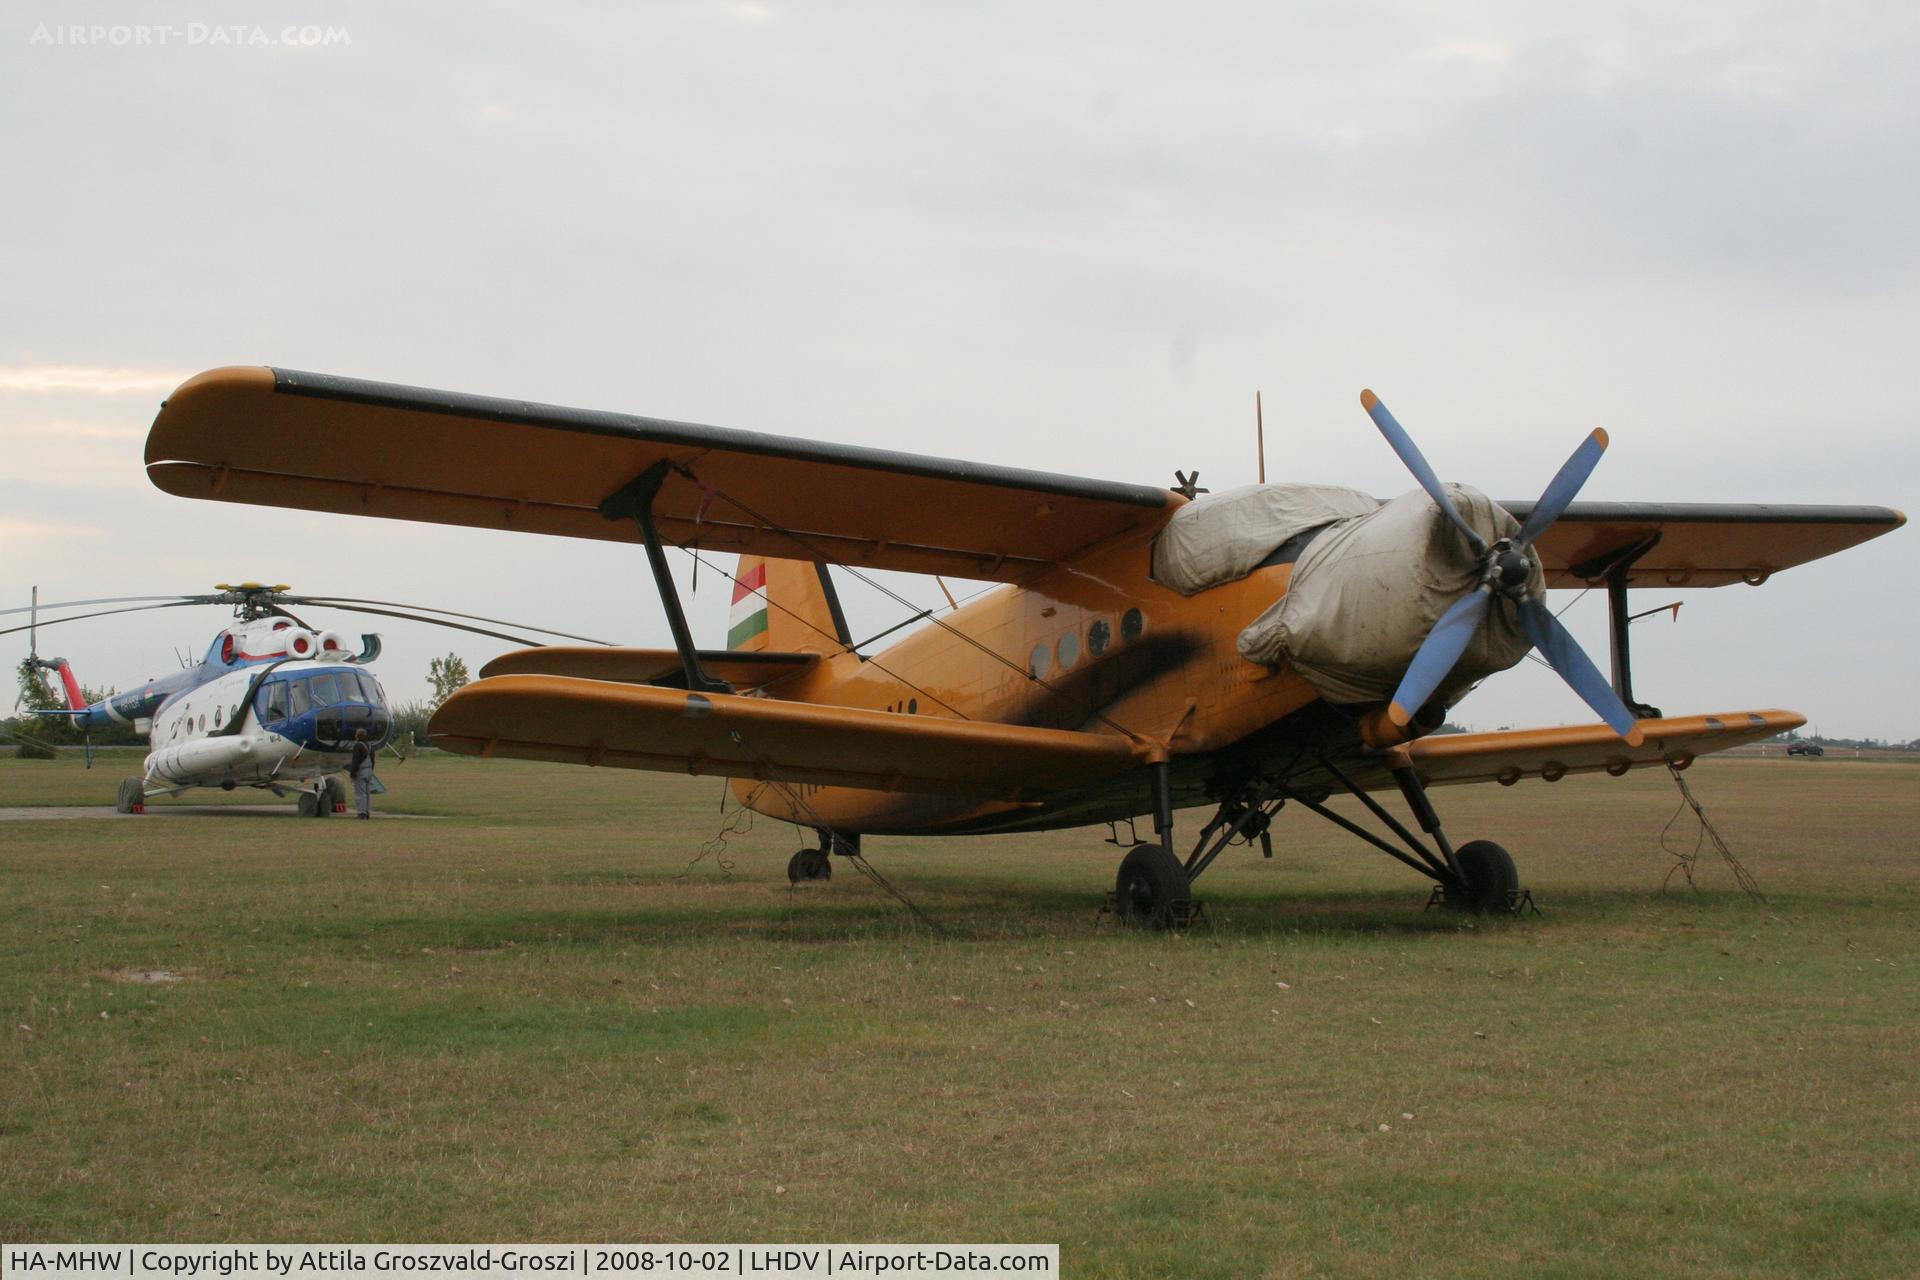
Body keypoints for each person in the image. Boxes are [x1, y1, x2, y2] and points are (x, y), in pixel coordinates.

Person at [349, 728, 375, 819]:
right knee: (367, 793)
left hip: (361, 771)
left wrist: (353, 773)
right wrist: (371, 770)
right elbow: (373, 760)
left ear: (357, 735)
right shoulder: (370, 746)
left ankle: (361, 813)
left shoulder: (358, 746)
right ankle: (367, 812)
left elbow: (355, 761)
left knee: (360, 793)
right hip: (369, 770)